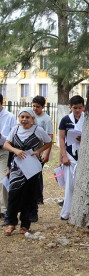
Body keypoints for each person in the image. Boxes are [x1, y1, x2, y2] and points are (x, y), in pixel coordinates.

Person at [3, 107, 51, 235]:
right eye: (22, 117)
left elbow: (48, 142)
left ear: (32, 119)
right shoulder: (15, 129)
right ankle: (11, 223)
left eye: (27, 117)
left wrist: (38, 151)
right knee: (13, 194)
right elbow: (6, 144)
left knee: (28, 195)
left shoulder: (38, 130)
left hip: (31, 168)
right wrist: (15, 150)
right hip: (16, 168)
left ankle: (25, 224)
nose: (24, 119)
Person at [58, 95, 84, 220]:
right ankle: (66, 212)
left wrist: (82, 138)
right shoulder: (65, 120)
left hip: (83, 154)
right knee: (69, 185)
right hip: (70, 154)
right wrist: (63, 156)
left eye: (79, 108)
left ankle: (80, 210)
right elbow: (61, 139)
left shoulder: (87, 119)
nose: (77, 110)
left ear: (83, 107)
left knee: (81, 184)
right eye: (75, 108)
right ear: (70, 107)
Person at [30, 95, 54, 221]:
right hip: (31, 151)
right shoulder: (31, 117)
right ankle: (35, 196)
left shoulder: (46, 119)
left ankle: (38, 197)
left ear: (43, 107)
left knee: (37, 173)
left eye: (38, 107)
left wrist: (46, 153)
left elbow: (50, 137)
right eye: (33, 106)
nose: (35, 108)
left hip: (41, 150)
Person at [0, 94, 16, 223]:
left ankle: (4, 209)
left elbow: (13, 136)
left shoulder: (10, 117)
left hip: (4, 150)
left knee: (3, 180)